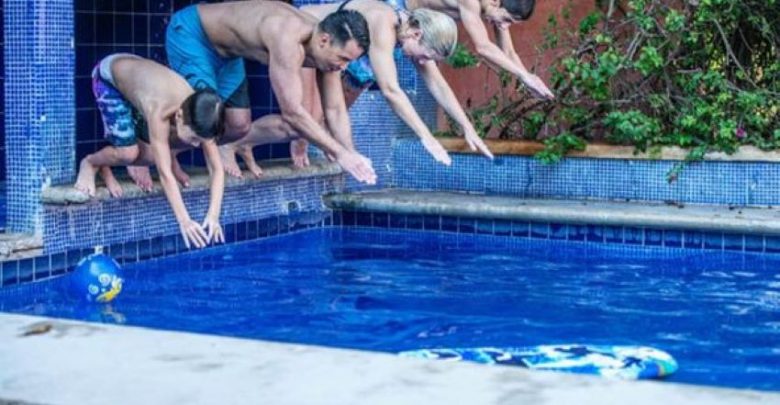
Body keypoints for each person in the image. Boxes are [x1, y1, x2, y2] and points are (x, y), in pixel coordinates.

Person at [222, 0, 495, 175]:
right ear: (416, 33)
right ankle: (232, 142)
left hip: (331, 52)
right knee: (300, 122)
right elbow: (390, 90)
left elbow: (438, 83)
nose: (422, 63)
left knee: (313, 121)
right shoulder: (384, 22)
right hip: (312, 42)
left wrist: (467, 127)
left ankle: (244, 143)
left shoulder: (407, 28)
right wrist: (426, 137)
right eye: (425, 56)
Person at [165, 1, 376, 184]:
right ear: (324, 40)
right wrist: (340, 154)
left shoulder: (328, 53)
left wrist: (351, 154)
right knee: (203, 115)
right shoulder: (288, 38)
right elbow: (292, 112)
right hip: (194, 35)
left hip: (228, 55)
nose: (344, 67)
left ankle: (172, 149)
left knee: (238, 126)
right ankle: (141, 155)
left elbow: (335, 109)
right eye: (344, 59)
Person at [74, 53, 226, 249]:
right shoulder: (160, 110)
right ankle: (92, 162)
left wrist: (213, 216)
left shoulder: (201, 113)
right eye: (195, 138)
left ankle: (115, 163)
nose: (196, 145)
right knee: (129, 153)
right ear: (178, 116)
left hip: (139, 81)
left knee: (158, 151)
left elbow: (217, 169)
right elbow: (165, 175)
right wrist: (184, 221)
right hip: (109, 78)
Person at [409, 0, 555, 99]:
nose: (504, 26)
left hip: (413, 22)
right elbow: (483, 47)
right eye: (507, 19)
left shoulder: (494, 7)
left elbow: (509, 52)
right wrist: (525, 77)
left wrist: (529, 81)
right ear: (496, 2)